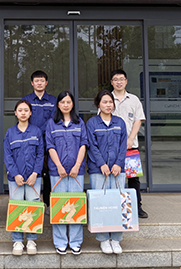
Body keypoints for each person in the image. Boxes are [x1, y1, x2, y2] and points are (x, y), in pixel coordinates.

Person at [45, 91, 88, 255]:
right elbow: (50, 146)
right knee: (59, 206)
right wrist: (59, 166)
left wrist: (77, 165)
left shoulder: (79, 123)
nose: (65, 105)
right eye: (62, 102)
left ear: (72, 104)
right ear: (58, 104)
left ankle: (76, 241)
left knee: (76, 206)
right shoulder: (52, 123)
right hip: (58, 172)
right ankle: (60, 241)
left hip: (77, 172)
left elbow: (83, 144)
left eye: (68, 102)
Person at [87, 89, 128, 254]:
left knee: (118, 203)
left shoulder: (120, 122)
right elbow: (92, 145)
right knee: (101, 205)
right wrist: (102, 164)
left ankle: (116, 239)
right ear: (98, 104)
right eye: (104, 102)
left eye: (110, 102)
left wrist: (118, 163)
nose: (108, 105)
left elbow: (123, 145)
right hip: (99, 171)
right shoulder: (92, 123)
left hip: (118, 170)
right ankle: (103, 239)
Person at [3, 99, 44, 256]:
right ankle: (18, 241)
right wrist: (15, 174)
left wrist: (35, 173)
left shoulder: (36, 131)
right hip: (16, 179)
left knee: (33, 206)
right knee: (17, 206)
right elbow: (7, 156)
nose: (23, 113)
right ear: (15, 113)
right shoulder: (10, 133)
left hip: (34, 177)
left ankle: (32, 240)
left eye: (26, 110)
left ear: (30, 113)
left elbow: (40, 154)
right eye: (20, 110)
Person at [110, 69, 148, 218]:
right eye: (115, 79)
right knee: (114, 176)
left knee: (133, 178)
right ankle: (114, 207)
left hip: (130, 146)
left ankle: (137, 207)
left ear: (126, 81)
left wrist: (131, 138)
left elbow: (138, 120)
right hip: (112, 147)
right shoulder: (107, 98)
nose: (119, 82)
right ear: (112, 82)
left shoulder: (134, 99)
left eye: (121, 79)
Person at [23, 70, 56, 210]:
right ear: (32, 83)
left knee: (48, 174)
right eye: (36, 81)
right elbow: (23, 119)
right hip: (31, 142)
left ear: (46, 82)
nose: (39, 83)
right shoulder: (26, 100)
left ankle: (48, 204)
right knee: (32, 172)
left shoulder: (53, 101)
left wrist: (38, 131)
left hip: (48, 142)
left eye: (42, 80)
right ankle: (32, 205)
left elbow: (53, 121)